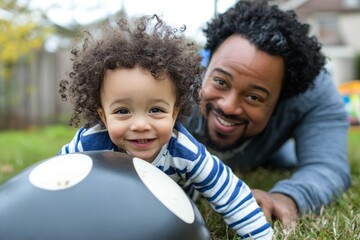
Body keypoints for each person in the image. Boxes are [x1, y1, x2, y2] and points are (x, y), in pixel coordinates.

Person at [58, 14, 273, 239]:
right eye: (122, 111)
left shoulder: (184, 152)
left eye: (156, 110)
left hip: (173, 206)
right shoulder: (89, 145)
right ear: (103, 115)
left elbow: (231, 194)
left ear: (175, 113)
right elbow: (51, 179)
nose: (140, 125)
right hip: (117, 204)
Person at [184, 0, 351, 229]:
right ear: (208, 62)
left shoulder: (314, 94)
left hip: (268, 151)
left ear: (282, 99)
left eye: (254, 96)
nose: (229, 106)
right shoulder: (174, 80)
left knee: (285, 159)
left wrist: (287, 197)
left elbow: (328, 166)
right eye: (221, 81)